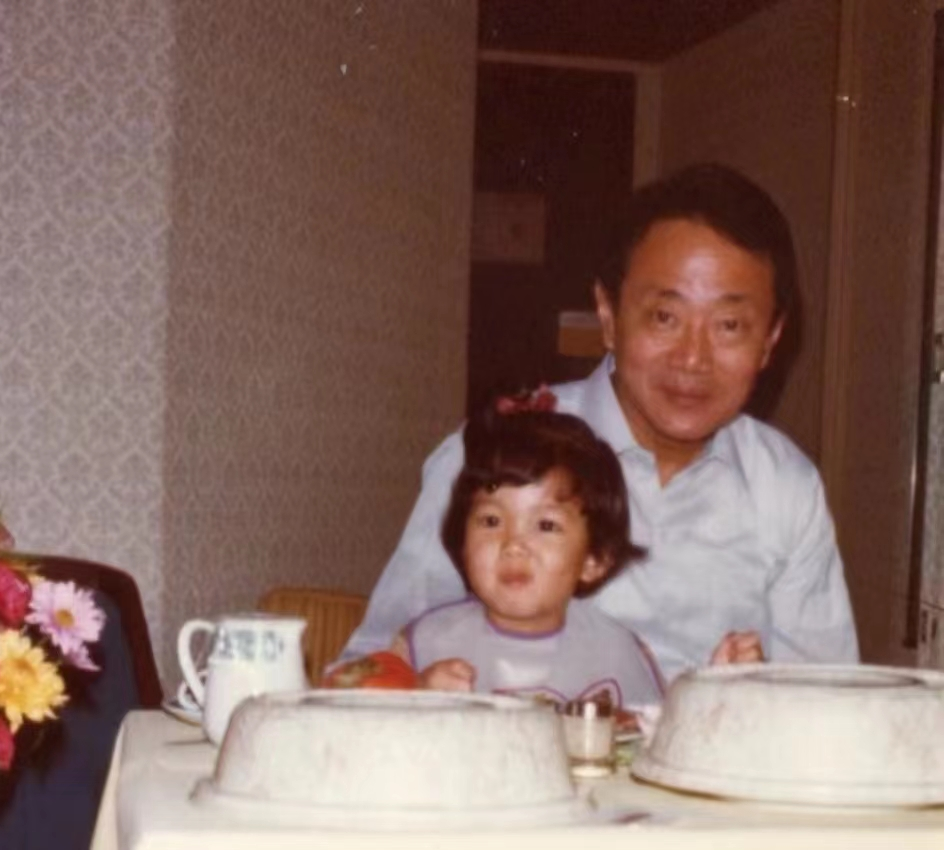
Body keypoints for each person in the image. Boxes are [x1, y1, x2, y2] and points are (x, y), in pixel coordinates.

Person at [341, 163, 859, 682]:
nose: (692, 358)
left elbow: (827, 698)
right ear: (608, 316)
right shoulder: (498, 450)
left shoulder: (785, 488)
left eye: (728, 325)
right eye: (665, 317)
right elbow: (368, 671)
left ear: (769, 340)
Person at [391, 404, 663, 707]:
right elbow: (364, 716)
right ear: (463, 542)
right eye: (491, 521)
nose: (513, 545)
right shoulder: (426, 644)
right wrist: (416, 697)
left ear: (594, 560)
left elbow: (658, 731)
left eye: (545, 525)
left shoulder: (615, 653)